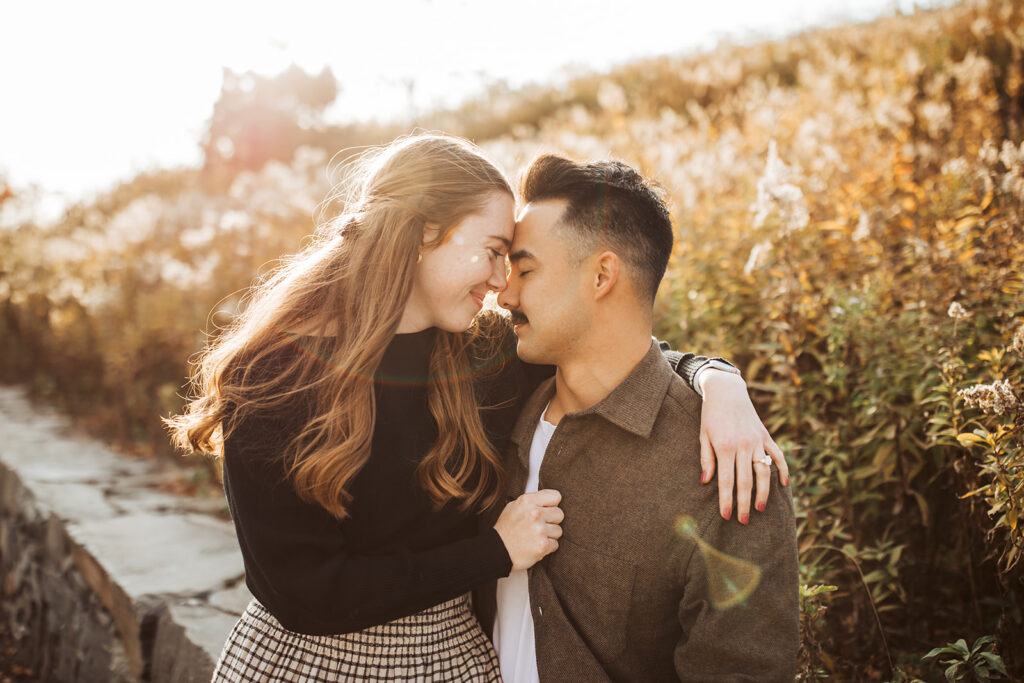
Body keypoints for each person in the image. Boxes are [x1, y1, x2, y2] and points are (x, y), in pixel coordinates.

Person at [165, 133, 789, 682]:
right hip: (307, 662)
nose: (500, 282)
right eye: (494, 250)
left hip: (450, 658)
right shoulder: (274, 374)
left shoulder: (485, 354)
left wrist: (719, 383)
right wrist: (490, 552)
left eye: (514, 260)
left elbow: (619, 354)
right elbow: (298, 592)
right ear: (419, 235)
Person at [482, 154, 800, 682]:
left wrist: (718, 384)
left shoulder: (725, 471)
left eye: (527, 269)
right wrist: (719, 375)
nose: (505, 294)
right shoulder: (494, 395)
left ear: (603, 274)